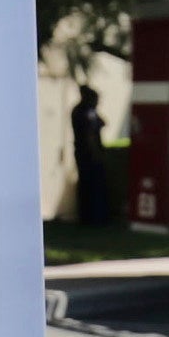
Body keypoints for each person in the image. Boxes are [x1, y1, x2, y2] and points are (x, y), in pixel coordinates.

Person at [68, 80, 115, 228]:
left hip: (85, 154)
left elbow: (103, 122)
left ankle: (92, 216)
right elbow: (90, 137)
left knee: (90, 185)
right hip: (87, 155)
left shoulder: (85, 111)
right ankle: (92, 217)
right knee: (91, 186)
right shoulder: (83, 112)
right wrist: (96, 154)